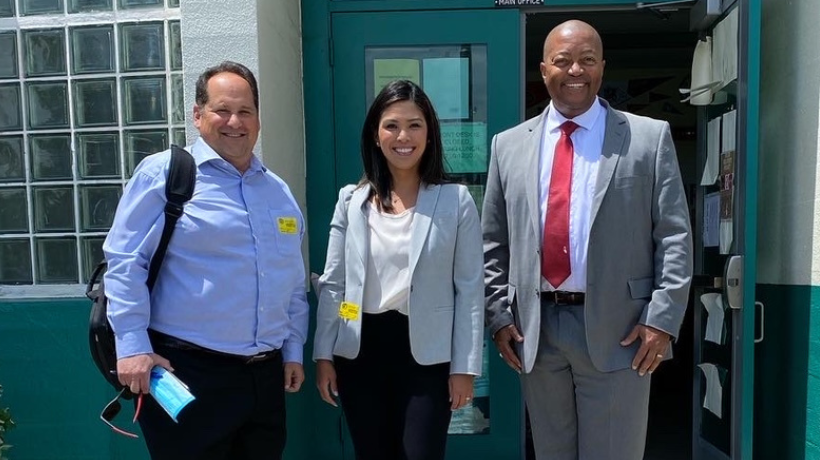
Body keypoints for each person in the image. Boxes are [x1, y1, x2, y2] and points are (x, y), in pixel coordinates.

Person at [483, 20, 693, 460]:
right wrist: (500, 317)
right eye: (563, 61)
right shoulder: (508, 146)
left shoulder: (647, 139)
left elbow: (674, 235)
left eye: (587, 60)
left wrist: (662, 319)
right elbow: (493, 243)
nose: (575, 70)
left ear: (602, 68)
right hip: (536, 334)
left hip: (622, 331)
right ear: (544, 70)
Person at [103, 61, 308, 459]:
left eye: (246, 111)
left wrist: (292, 349)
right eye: (222, 110)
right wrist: (131, 346)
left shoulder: (277, 191)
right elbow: (125, 262)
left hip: (264, 380)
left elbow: (291, 280)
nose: (235, 121)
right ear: (198, 116)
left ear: (258, 118)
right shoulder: (166, 174)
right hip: (188, 373)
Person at [313, 79, 485, 460]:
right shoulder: (351, 201)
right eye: (391, 125)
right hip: (360, 350)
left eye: (414, 125)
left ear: (429, 134)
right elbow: (335, 284)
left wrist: (466, 368)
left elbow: (470, 289)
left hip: (427, 355)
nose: (402, 136)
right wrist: (324, 354)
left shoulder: (455, 202)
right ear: (376, 135)